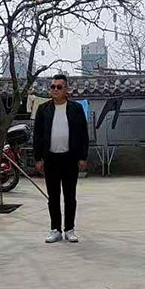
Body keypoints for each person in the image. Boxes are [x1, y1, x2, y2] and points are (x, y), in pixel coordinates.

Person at [33, 74, 89, 243]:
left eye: (59, 87)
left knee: (70, 196)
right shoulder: (43, 109)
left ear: (66, 89)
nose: (55, 90)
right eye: (53, 87)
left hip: (70, 158)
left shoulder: (76, 109)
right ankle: (55, 229)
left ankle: (69, 229)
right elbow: (38, 136)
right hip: (51, 159)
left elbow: (83, 134)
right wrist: (38, 158)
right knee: (53, 196)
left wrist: (83, 157)